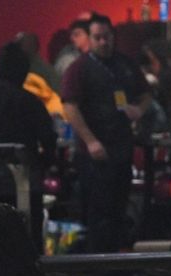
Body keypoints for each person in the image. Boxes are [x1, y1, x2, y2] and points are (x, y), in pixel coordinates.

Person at [61, 13, 151, 254]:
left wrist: (138, 110)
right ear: (89, 39)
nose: (103, 42)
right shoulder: (79, 68)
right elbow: (69, 106)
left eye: (107, 37)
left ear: (113, 37)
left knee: (119, 212)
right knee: (97, 217)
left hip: (122, 148)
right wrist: (90, 141)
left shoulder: (125, 64)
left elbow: (145, 94)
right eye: (98, 37)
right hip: (93, 155)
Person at [0, 42, 57, 252]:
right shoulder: (30, 102)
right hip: (27, 186)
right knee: (29, 247)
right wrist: (44, 163)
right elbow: (49, 139)